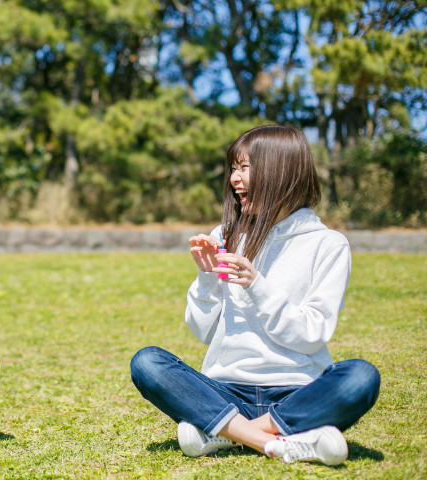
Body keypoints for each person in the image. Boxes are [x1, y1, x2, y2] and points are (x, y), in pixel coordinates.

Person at [130, 125, 380, 466]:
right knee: (148, 363)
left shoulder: (328, 244)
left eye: (244, 167)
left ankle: (226, 433)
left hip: (298, 389)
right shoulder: (226, 235)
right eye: (233, 167)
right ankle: (281, 441)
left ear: (280, 170)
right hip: (226, 389)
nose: (234, 178)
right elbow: (202, 331)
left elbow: (311, 336)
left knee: (361, 377)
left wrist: (257, 285)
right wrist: (206, 278)